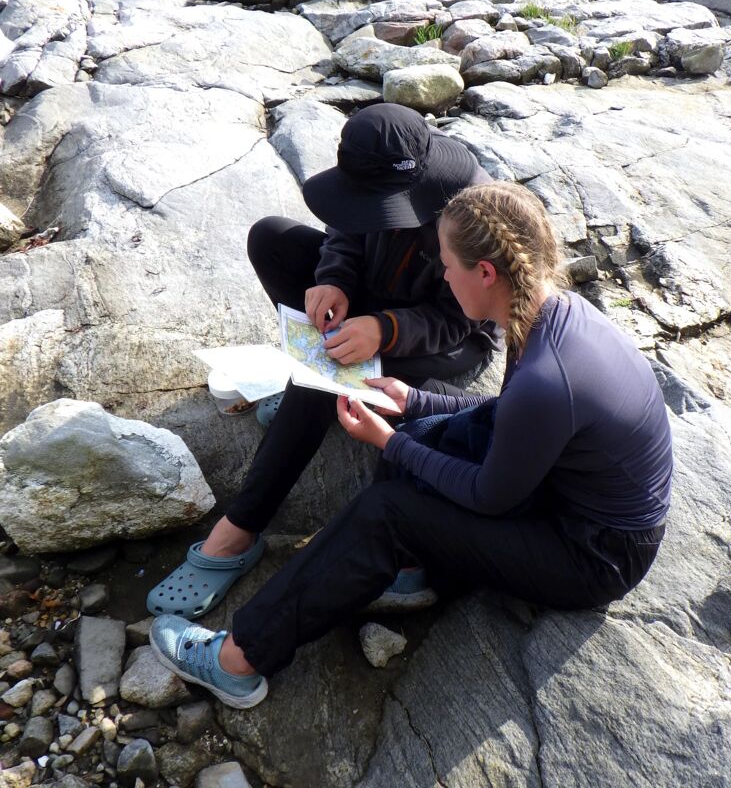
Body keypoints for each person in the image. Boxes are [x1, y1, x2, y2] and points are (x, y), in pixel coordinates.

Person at [148, 180, 674, 709]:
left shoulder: (545, 376)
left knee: (388, 513)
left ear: (485, 273)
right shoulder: (545, 314)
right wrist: (413, 403)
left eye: (447, 265)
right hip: (562, 490)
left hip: (591, 553)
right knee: (424, 427)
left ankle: (237, 661)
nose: (443, 274)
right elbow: (502, 417)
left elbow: (491, 495)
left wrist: (387, 441)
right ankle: (409, 572)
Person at [146, 104, 500, 620]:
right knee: (271, 237)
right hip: (378, 297)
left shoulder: (469, 212)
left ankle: (240, 531)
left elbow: (463, 319)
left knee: (319, 385)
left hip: (445, 341)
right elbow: (346, 227)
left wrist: (385, 329)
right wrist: (332, 279)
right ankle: (324, 381)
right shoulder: (373, 178)